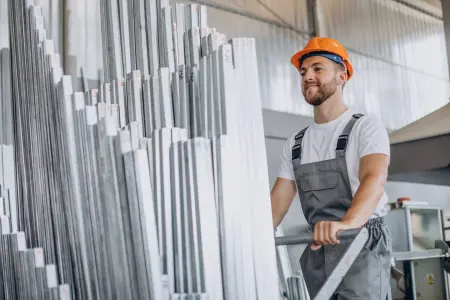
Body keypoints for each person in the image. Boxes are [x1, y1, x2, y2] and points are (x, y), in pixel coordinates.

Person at [271, 37, 392, 299]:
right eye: (303, 72)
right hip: (319, 248)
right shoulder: (296, 143)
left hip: (361, 243)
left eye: (317, 68)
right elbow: (276, 205)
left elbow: (374, 178)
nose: (307, 77)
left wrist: (346, 224)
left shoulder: (365, 127)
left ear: (342, 76)